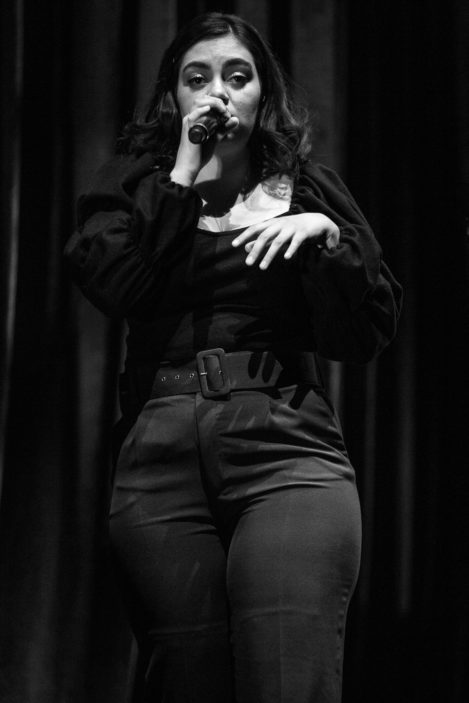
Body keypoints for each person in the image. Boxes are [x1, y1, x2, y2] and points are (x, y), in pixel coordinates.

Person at [65, 11, 402, 703]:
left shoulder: (307, 193)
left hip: (284, 446)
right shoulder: (134, 190)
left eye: (236, 77)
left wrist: (327, 240)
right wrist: (183, 174)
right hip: (158, 457)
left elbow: (365, 334)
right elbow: (119, 288)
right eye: (197, 78)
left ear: (261, 96)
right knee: (187, 679)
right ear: (174, 99)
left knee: (286, 672)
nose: (217, 92)